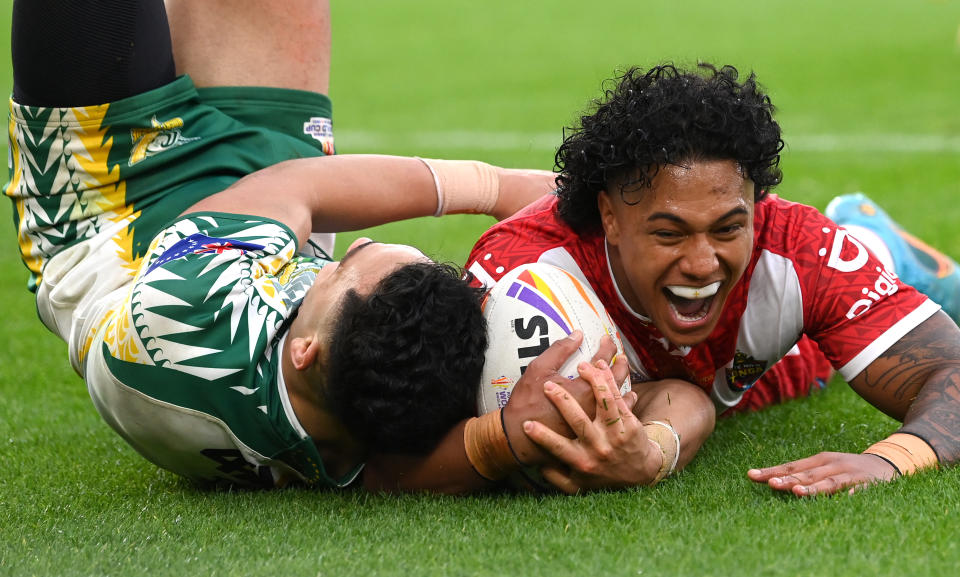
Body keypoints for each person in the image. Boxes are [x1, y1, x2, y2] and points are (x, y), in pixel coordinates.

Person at [3, 0, 565, 488]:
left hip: (121, 202)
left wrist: (497, 188)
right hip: (263, 218)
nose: (353, 245)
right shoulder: (384, 400)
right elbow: (443, 459)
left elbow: (297, 188)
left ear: (306, 349)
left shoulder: (179, 322)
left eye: (341, 266)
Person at [462, 63, 960, 496]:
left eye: (727, 228)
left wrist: (891, 459)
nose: (702, 264)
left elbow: (950, 370)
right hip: (717, 387)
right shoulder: (519, 273)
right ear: (609, 218)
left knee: (870, 281)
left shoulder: (797, 248)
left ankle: (877, 246)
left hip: (785, 368)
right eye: (669, 233)